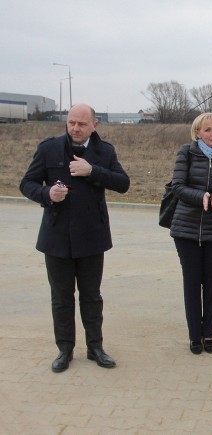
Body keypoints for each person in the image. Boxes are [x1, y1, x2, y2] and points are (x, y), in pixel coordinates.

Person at [19, 103, 130, 372]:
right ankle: (65, 350)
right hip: (57, 237)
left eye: (81, 123)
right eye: (71, 123)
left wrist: (93, 171)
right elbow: (27, 184)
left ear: (95, 125)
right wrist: (47, 195)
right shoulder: (50, 148)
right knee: (61, 297)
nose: (75, 128)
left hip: (92, 236)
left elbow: (123, 183)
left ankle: (95, 348)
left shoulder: (104, 151)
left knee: (91, 296)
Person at [170, 113, 212, 355]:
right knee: (192, 283)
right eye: (208, 130)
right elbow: (177, 186)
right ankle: (194, 336)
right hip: (186, 229)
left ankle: (208, 333)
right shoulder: (186, 153)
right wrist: (203, 198)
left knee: (211, 284)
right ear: (197, 132)